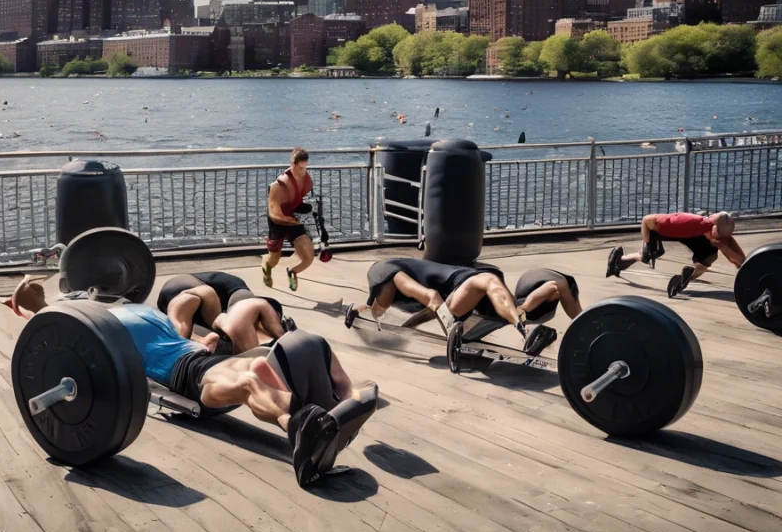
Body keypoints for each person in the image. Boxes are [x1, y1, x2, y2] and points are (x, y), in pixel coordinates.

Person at [6, 282, 372, 487]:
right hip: (184, 376)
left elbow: (189, 305)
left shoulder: (151, 315)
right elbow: (57, 329)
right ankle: (299, 429)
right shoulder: (100, 332)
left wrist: (206, 337)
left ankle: (339, 407)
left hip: (198, 357)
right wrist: (26, 303)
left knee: (281, 354)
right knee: (249, 380)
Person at [343, 258, 580, 356]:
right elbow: (430, 307)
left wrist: (449, 336)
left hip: (469, 286)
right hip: (472, 292)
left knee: (488, 283)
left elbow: (432, 298)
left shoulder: (389, 273)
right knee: (493, 288)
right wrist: (359, 313)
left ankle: (523, 325)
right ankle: (527, 321)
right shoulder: (391, 281)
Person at [607, 211, 746, 296]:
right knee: (647, 255)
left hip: (687, 233)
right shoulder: (683, 222)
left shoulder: (716, 233)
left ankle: (688, 274)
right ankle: (618, 260)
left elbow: (741, 263)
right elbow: (646, 220)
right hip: (662, 231)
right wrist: (648, 245)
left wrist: (721, 245)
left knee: (709, 257)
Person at [156, 271, 292, 352]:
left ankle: (190, 343)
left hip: (168, 301)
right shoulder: (243, 294)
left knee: (194, 330)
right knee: (222, 318)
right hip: (191, 285)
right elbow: (241, 319)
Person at [262, 147, 315, 291]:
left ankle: (293, 271)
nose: (302, 171)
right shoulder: (278, 186)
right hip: (278, 221)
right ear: (292, 164)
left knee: (308, 255)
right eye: (300, 168)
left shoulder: (306, 180)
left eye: (305, 167)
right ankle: (266, 266)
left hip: (292, 219)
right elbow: (275, 213)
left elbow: (295, 198)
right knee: (274, 257)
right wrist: (291, 218)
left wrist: (300, 206)